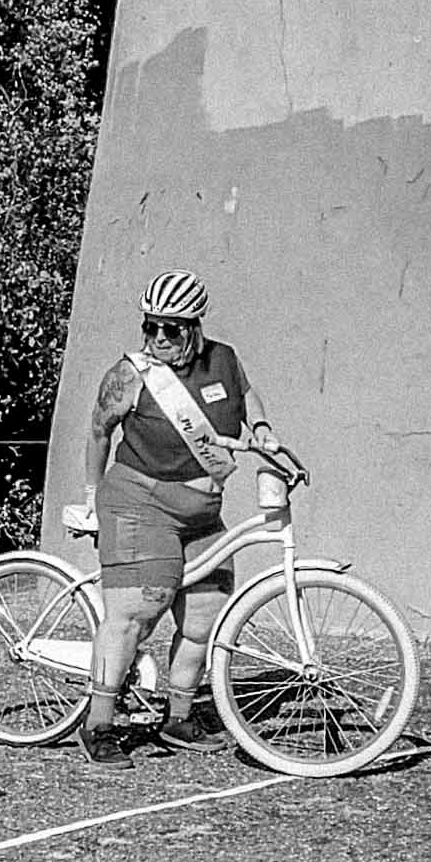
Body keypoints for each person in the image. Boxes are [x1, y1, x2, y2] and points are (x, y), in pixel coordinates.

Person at [74, 268, 277, 766]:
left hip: (203, 510)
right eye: (150, 327)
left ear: (196, 327)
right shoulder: (130, 375)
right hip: (139, 501)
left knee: (206, 611)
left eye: (172, 329)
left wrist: (264, 427)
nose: (158, 339)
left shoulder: (224, 359)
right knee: (139, 609)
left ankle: (179, 717)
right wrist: (92, 496)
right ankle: (98, 723)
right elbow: (100, 432)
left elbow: (246, 395)